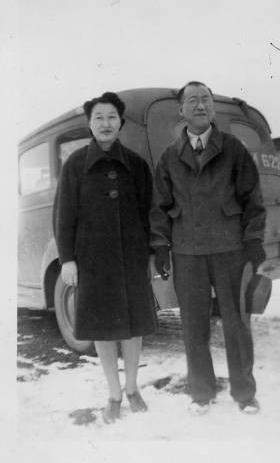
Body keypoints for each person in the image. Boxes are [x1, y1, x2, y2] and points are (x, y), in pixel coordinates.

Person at [150, 81, 266, 416]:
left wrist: (253, 240)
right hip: (187, 252)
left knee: (237, 324)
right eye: (193, 100)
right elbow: (160, 206)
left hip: (230, 249)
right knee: (193, 326)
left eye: (206, 100)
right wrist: (160, 246)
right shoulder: (170, 157)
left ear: (212, 109)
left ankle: (245, 394)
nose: (200, 106)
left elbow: (252, 200)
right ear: (181, 110)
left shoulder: (233, 149)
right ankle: (201, 392)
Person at [54, 91, 157, 423]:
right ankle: (113, 393)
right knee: (103, 329)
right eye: (99, 117)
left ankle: (132, 388)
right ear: (89, 124)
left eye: (112, 116)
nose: (106, 123)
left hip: (132, 258)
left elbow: (150, 213)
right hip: (92, 261)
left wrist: (152, 254)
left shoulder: (137, 165)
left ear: (121, 123)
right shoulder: (74, 165)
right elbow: (63, 215)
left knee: (133, 326)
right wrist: (68, 259)